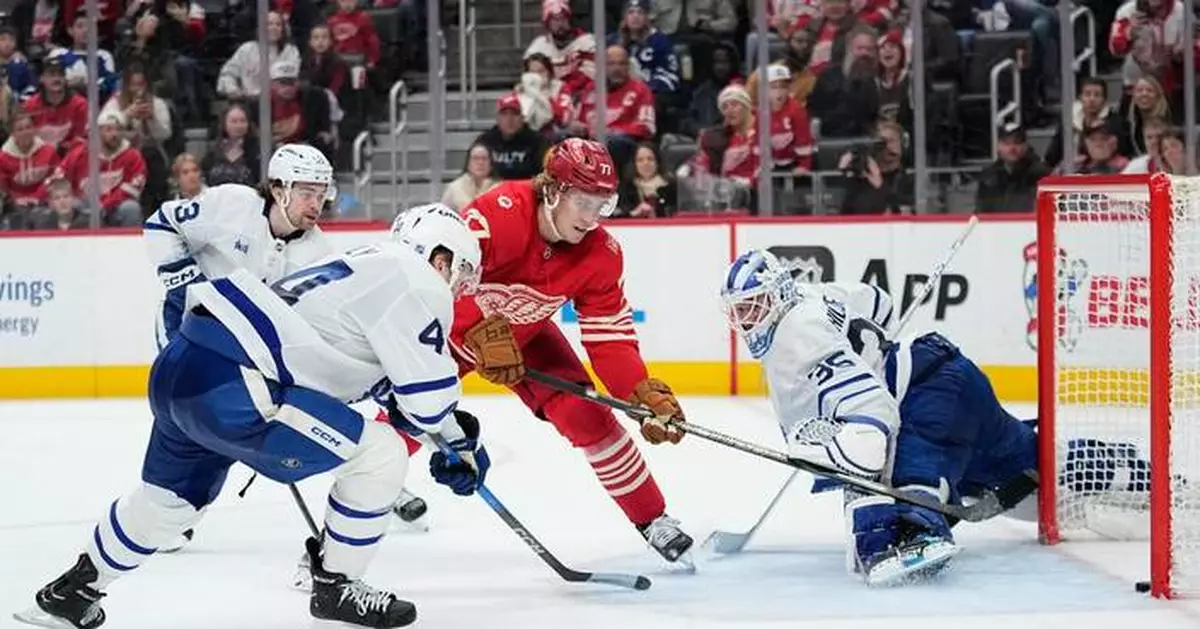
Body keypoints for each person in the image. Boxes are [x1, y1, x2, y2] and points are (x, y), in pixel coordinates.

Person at [14, 204, 487, 629]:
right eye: (459, 276)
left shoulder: (363, 267)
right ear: (441, 259)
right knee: (380, 453)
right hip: (239, 385)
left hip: (185, 366)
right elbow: (426, 399)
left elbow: (393, 391)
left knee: (169, 504)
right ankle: (336, 584)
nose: (456, 292)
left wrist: (448, 439)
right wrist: (462, 445)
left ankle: (73, 591)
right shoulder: (417, 279)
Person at [142, 144, 427, 549]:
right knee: (193, 417)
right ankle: (173, 506)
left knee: (253, 419)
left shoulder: (318, 254)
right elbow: (161, 224)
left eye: (322, 192)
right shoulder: (231, 204)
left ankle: (176, 506)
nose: (317, 203)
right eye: (307, 192)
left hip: (250, 350)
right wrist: (186, 283)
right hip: (188, 325)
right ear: (278, 190)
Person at [451, 138, 694, 563]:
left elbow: (611, 337)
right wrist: (472, 327)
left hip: (527, 339)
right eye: (583, 201)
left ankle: (652, 518)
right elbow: (438, 278)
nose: (592, 217)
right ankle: (343, 533)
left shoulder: (601, 255)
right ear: (552, 190)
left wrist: (640, 391)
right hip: (447, 338)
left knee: (588, 414)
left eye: (603, 204)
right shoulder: (501, 211)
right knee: (404, 420)